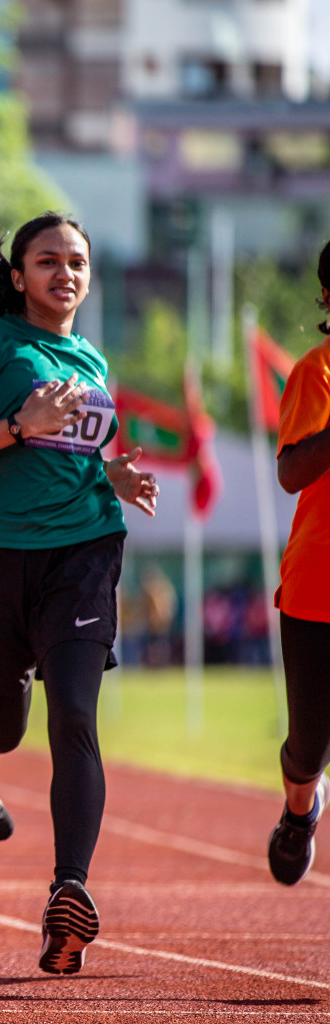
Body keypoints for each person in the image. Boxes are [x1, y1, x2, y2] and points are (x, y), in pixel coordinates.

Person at [0, 213, 158, 975]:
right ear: (18, 276)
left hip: (83, 550)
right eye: (47, 261)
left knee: (74, 715)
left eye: (77, 261)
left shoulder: (91, 359)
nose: (65, 274)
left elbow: (76, 454)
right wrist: (18, 423)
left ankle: (68, 894)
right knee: (6, 725)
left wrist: (114, 476)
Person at [267, 238, 330, 886]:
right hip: (318, 584)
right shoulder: (318, 372)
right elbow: (291, 471)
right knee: (309, 744)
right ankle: (299, 809)